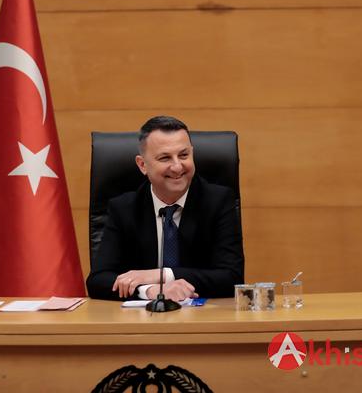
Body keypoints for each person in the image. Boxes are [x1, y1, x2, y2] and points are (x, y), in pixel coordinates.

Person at [86, 116, 244, 301]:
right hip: (142, 317)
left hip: (204, 315)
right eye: (165, 158)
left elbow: (231, 278)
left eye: (184, 155)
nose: (177, 167)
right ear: (142, 165)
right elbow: (98, 281)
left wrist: (162, 275)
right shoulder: (124, 209)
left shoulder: (218, 202)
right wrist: (149, 290)